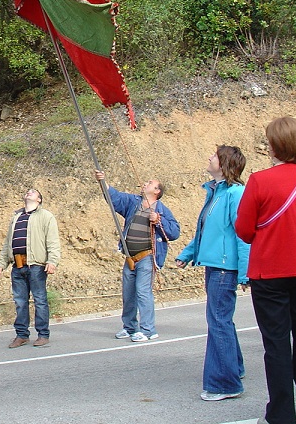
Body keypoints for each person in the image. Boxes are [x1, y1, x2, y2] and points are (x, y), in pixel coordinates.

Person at [236, 117, 296, 424]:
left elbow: (244, 229)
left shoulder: (260, 180)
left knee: (276, 342)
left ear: (274, 146)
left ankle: (281, 413)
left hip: (270, 272)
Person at [176, 146, 250, 402]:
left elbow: (243, 234)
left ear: (225, 163)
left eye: (215, 156)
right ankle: (235, 369)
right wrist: (186, 254)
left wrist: (244, 272)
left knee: (218, 321)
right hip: (215, 265)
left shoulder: (235, 193)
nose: (209, 157)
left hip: (223, 267)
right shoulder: (215, 191)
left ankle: (225, 384)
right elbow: (204, 231)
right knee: (222, 320)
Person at [94, 171, 180, 341]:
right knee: (128, 293)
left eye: (150, 183)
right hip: (130, 257)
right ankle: (130, 327)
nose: (145, 184)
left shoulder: (162, 210)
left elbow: (175, 231)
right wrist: (103, 182)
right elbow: (115, 198)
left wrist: (159, 220)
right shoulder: (134, 202)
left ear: (157, 191)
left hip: (148, 256)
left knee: (142, 291)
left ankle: (148, 330)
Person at [0, 188, 61, 348]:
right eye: (27, 192)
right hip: (17, 266)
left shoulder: (46, 216)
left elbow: (53, 241)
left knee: (40, 300)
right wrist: (2, 263)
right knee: (20, 302)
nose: (28, 193)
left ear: (39, 200)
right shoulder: (16, 217)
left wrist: (52, 261)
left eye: (33, 192)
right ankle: (22, 335)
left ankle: (43, 335)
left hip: (36, 266)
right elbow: (8, 243)